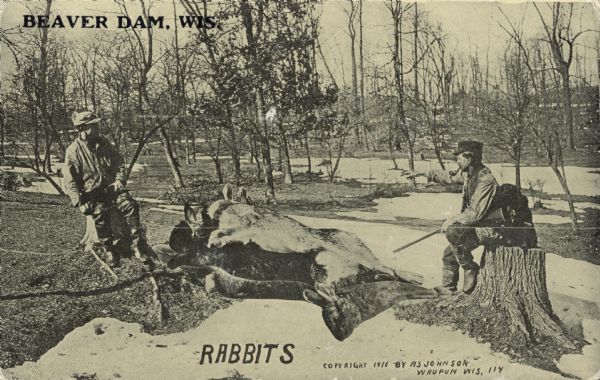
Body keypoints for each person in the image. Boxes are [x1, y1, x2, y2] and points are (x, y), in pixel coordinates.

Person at [402, 140, 498, 295]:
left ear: (469, 158)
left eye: (459, 158)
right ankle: (448, 288)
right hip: (474, 226)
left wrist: (451, 220)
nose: (457, 161)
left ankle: (469, 268)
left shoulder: (485, 180)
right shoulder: (469, 174)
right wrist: (422, 173)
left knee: (453, 232)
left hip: (489, 229)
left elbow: (475, 213)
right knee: (449, 253)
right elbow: (449, 176)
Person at [63, 111, 155, 268]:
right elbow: (70, 180)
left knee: (131, 206)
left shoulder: (104, 143)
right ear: (83, 129)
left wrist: (119, 179)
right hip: (93, 194)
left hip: (113, 189)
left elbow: (119, 162)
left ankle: (137, 245)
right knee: (100, 214)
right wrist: (79, 202)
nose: (98, 129)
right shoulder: (73, 151)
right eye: (94, 126)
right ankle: (109, 250)